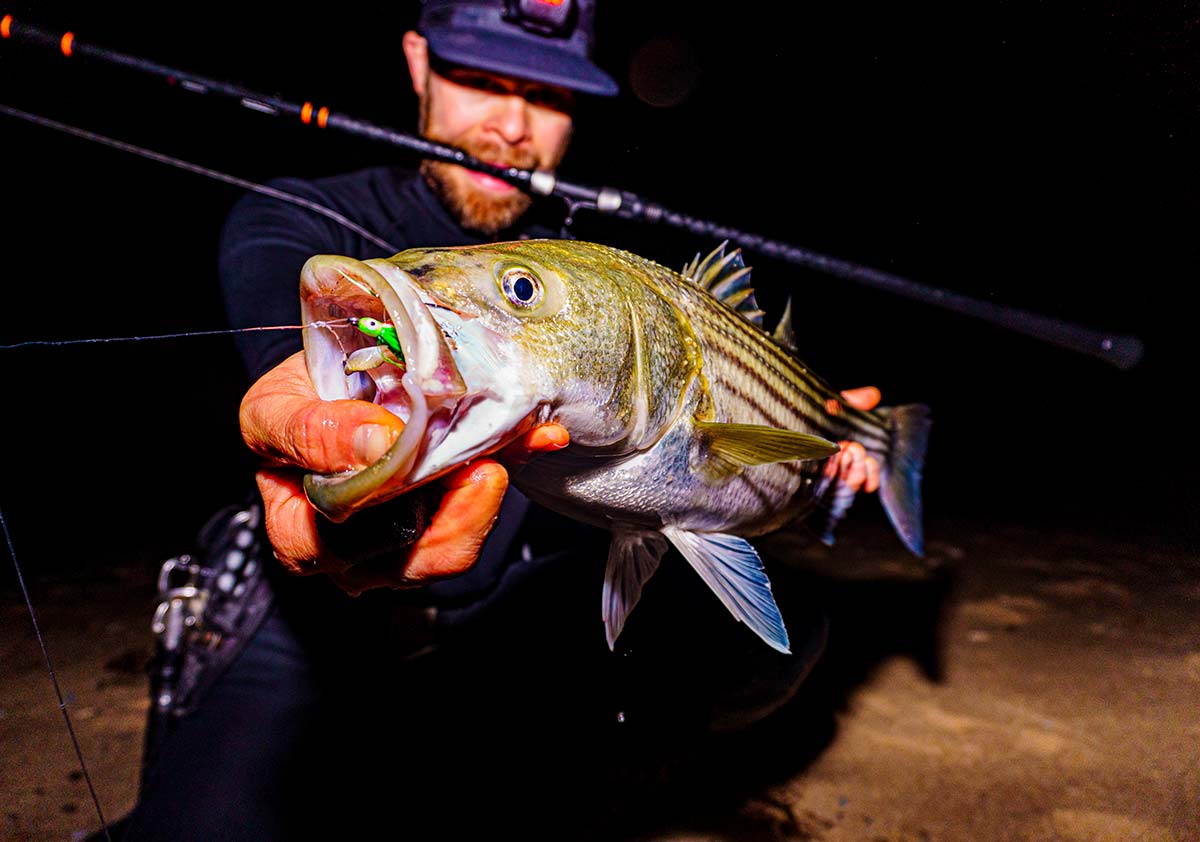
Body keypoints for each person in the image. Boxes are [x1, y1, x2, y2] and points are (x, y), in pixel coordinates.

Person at [121, 2, 881, 838]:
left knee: (780, 638)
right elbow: (295, 375)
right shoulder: (290, 216)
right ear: (417, 63)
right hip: (315, 629)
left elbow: (739, 428)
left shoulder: (596, 253)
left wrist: (822, 435)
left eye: (549, 95)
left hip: (521, 612)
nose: (512, 124)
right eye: (478, 77)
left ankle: (618, 765)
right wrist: (325, 434)